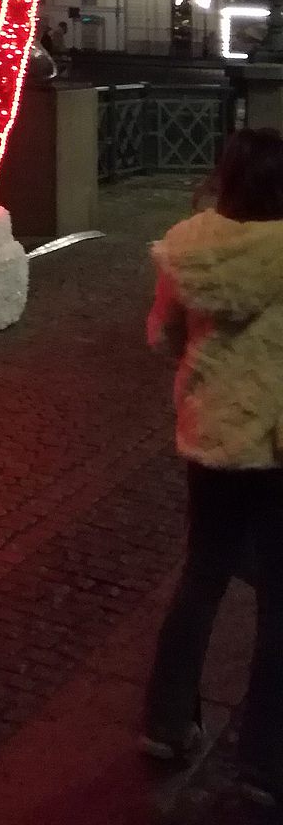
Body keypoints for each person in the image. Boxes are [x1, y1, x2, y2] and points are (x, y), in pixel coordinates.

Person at [141, 127, 283, 804]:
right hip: (278, 446)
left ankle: (167, 722)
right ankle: (264, 759)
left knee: (201, 577)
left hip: (211, 437)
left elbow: (165, 335)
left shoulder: (188, 248)